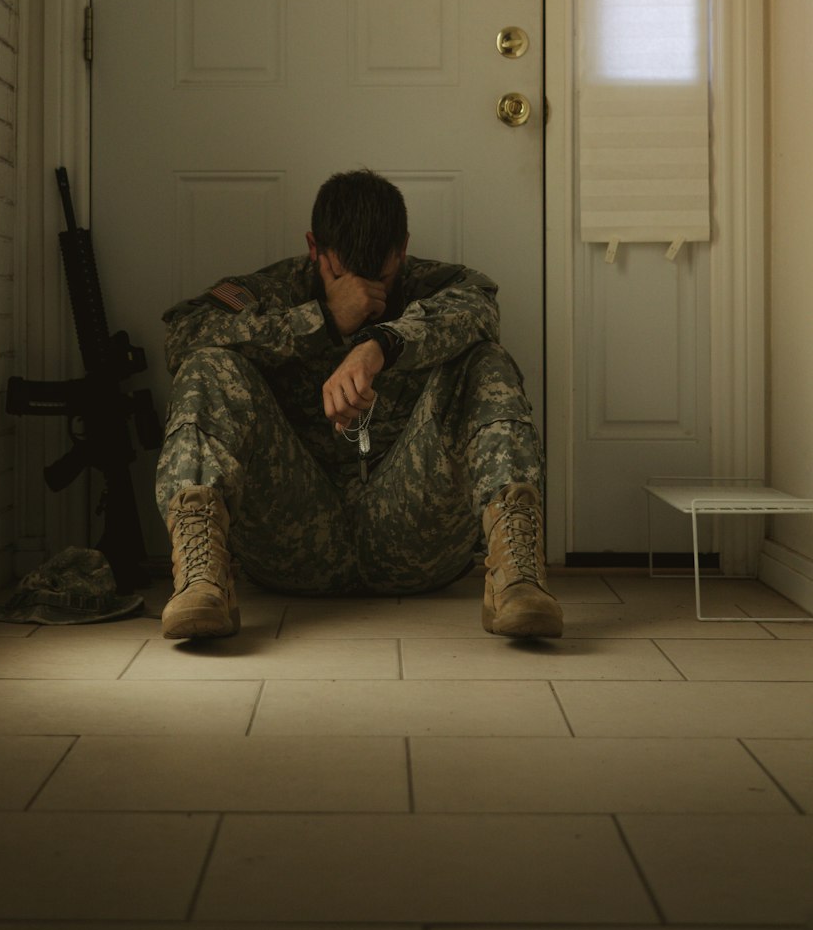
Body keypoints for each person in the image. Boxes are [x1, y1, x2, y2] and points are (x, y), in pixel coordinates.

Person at [155, 169, 563, 641]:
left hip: (414, 530)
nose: (370, 295)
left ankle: (518, 581)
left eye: (382, 277)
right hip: (293, 533)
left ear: (403, 248)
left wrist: (380, 344)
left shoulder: (441, 285)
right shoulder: (275, 290)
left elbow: (478, 312)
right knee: (207, 366)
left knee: (485, 360)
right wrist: (323, 319)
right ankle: (202, 582)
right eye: (346, 274)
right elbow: (182, 335)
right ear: (315, 248)